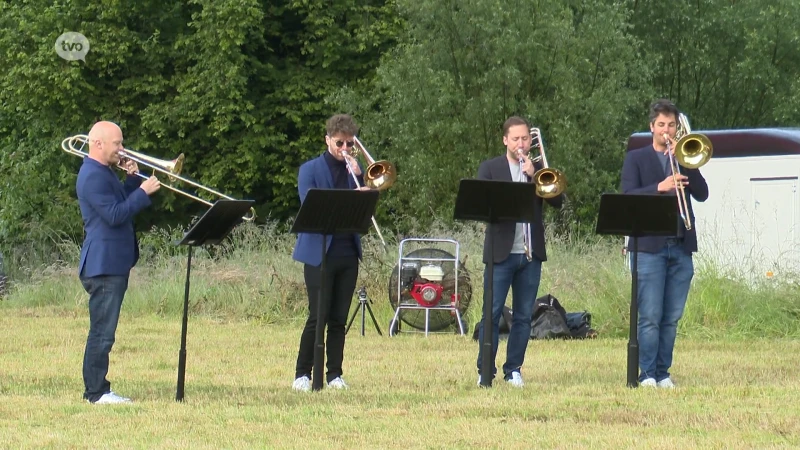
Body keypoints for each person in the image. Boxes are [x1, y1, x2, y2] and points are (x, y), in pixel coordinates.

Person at [621, 99, 709, 388]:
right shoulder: (637, 157)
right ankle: (646, 374)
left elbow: (703, 194)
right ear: (651, 128)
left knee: (671, 316)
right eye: (661, 125)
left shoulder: (681, 156)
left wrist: (686, 163)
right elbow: (627, 196)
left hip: (680, 244)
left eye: (672, 125)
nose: (667, 130)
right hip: (648, 246)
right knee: (650, 316)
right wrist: (659, 188)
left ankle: (662, 372)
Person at [475, 116, 564, 387]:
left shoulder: (538, 169)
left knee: (524, 316)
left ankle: (513, 368)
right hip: (500, 253)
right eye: (515, 139)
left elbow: (558, 201)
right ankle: (485, 370)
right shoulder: (491, 168)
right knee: (491, 313)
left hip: (530, 254)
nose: (521, 143)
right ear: (505, 140)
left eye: (525, 138)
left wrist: (534, 176)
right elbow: (482, 206)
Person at [76, 121, 161, 404]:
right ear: (98, 144)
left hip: (112, 263)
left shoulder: (104, 172)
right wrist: (144, 192)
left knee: (105, 331)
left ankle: (99, 390)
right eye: (117, 144)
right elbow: (114, 215)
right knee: (102, 332)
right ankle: (96, 393)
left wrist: (133, 181)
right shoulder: (92, 175)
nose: (122, 149)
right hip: (103, 265)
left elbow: (119, 202)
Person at [291, 113, 368, 392]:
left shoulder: (354, 173)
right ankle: (302, 373)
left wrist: (360, 182)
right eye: (339, 143)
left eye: (349, 145)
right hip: (319, 252)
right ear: (327, 140)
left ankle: (335, 373)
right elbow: (310, 205)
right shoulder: (309, 169)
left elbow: (363, 211)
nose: (344, 150)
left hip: (347, 251)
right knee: (318, 315)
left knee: (339, 317)